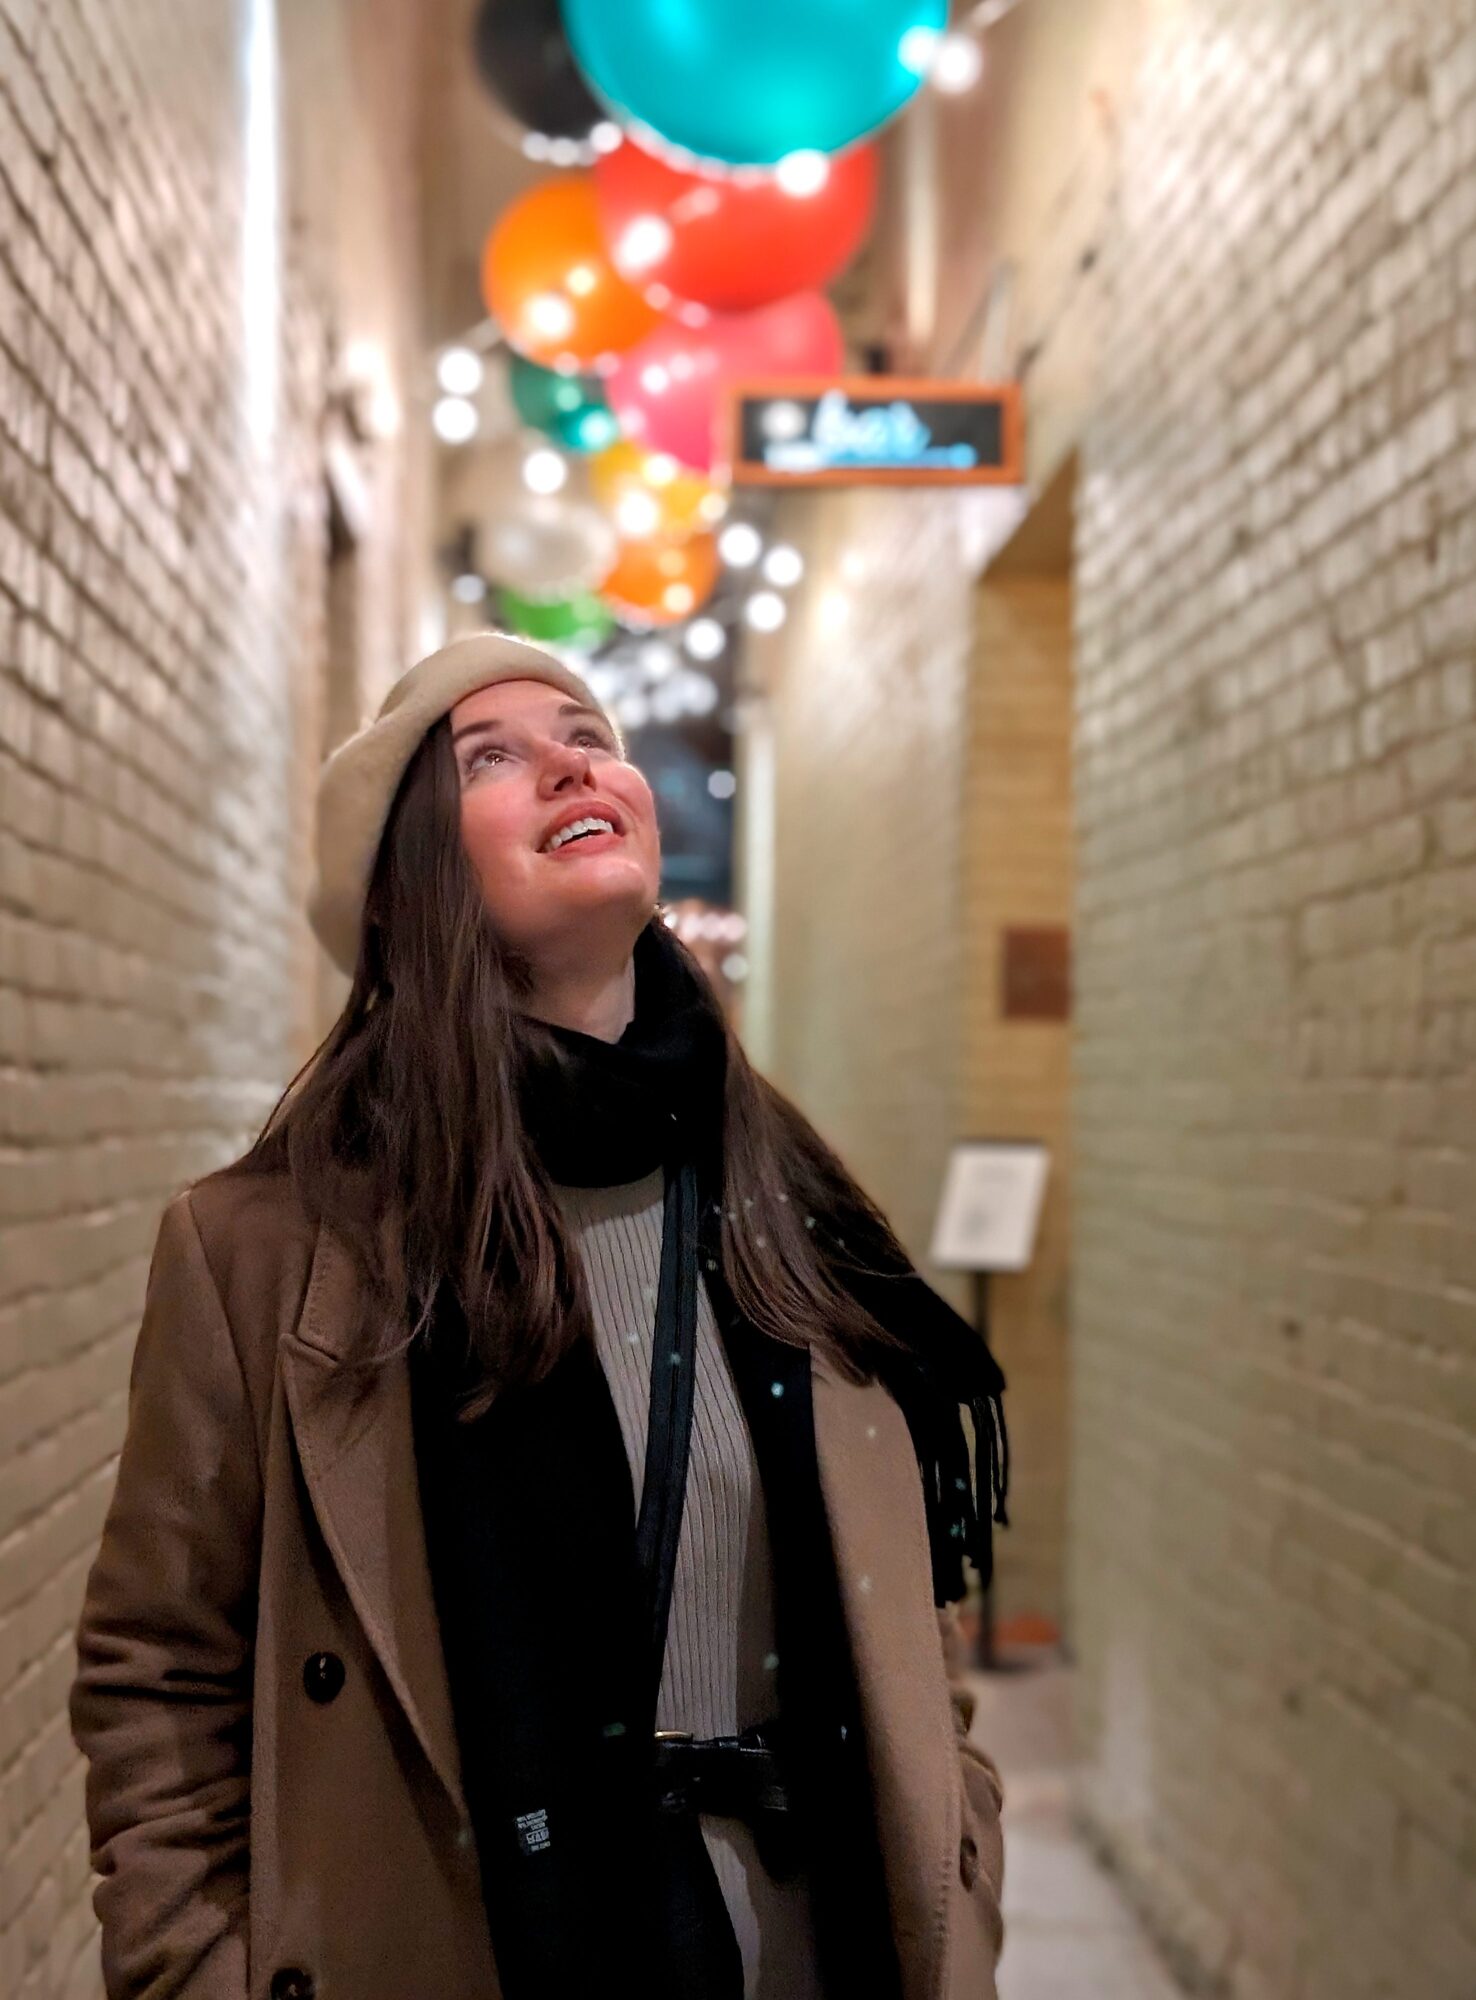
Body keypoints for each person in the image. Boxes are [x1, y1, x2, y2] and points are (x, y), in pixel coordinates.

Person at [69, 631, 1009, 2000]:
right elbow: (158, 1666)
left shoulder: (796, 1211)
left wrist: (961, 1862)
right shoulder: (267, 1250)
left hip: (811, 1945)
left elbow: (904, 1604)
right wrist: (194, 1967)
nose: (574, 758)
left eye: (588, 734)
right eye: (491, 756)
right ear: (402, 892)